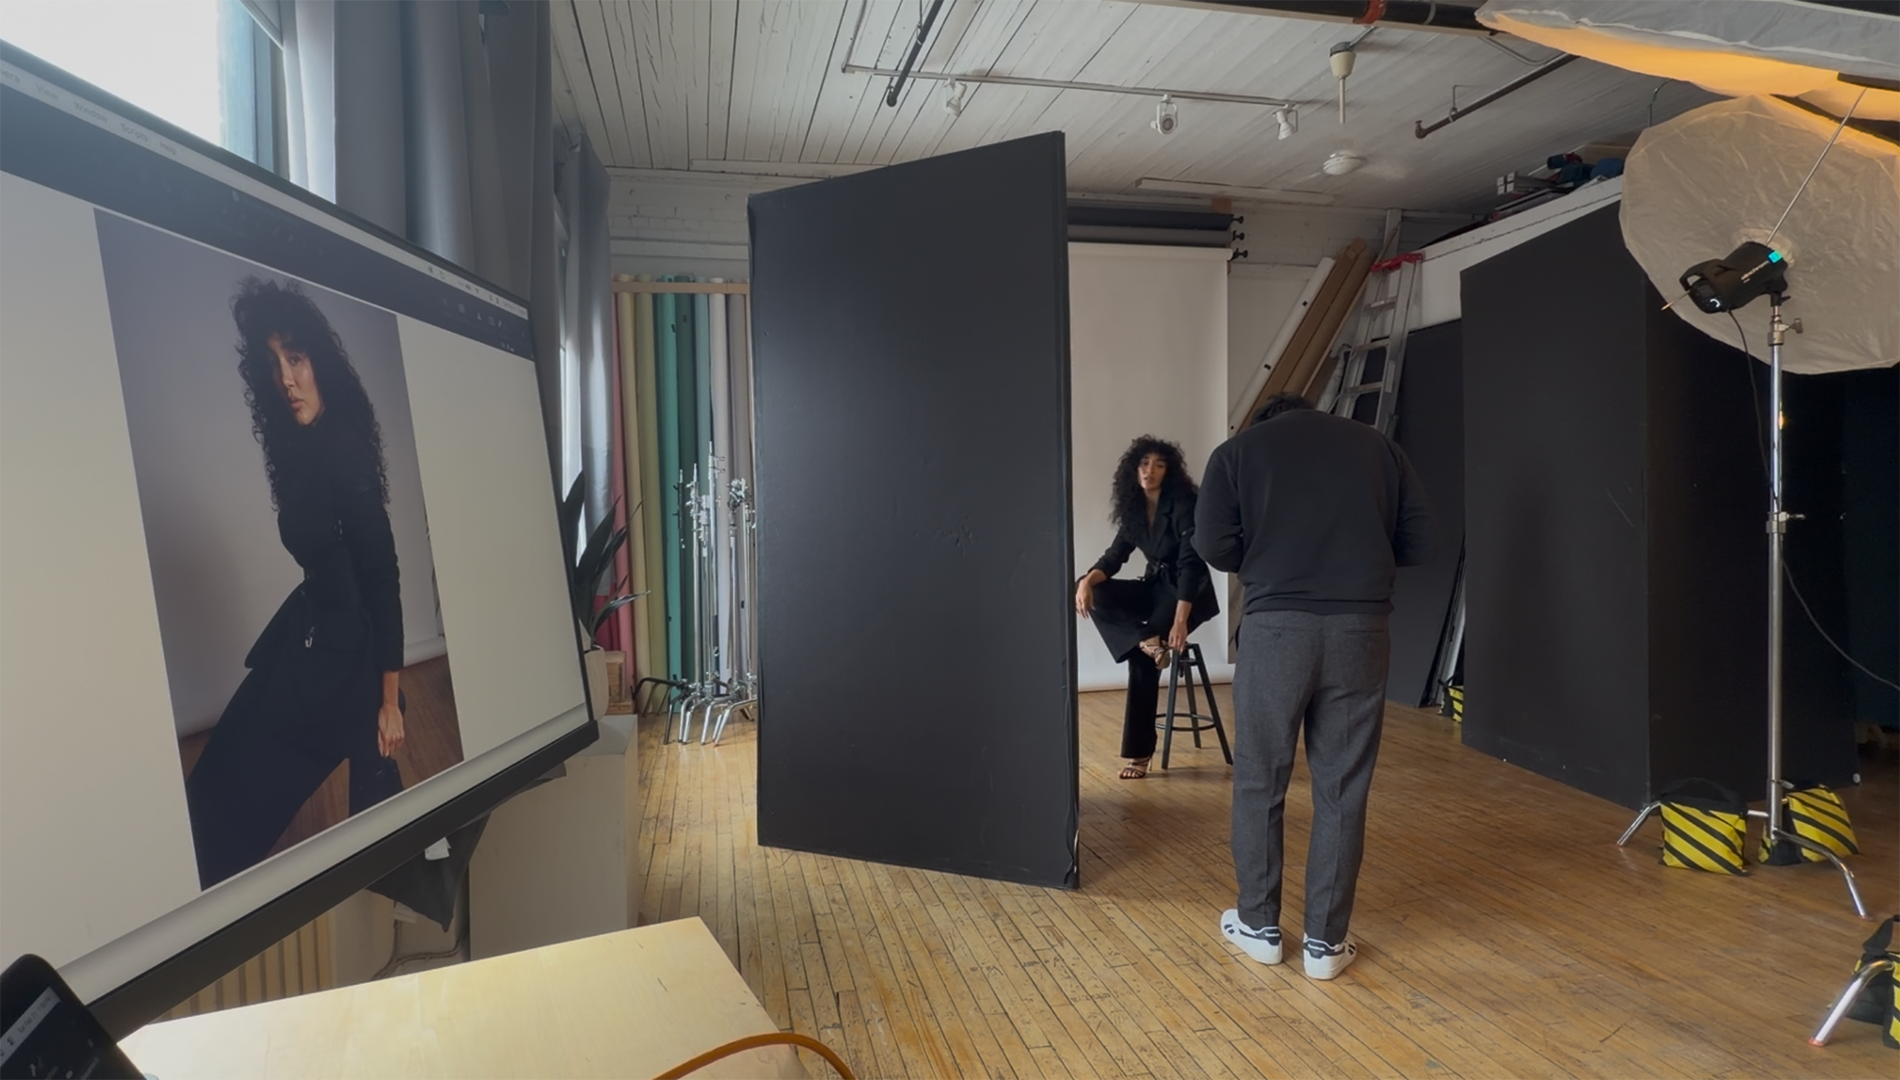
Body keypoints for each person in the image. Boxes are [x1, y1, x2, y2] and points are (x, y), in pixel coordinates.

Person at [1194, 393, 1434, 980]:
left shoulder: (1238, 453)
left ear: (1267, 420)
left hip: (1277, 629)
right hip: (1361, 629)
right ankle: (1326, 944)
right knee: (1343, 788)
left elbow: (1212, 545)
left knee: (1261, 779)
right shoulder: (1381, 449)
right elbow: (1421, 540)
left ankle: (1260, 926)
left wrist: (1268, 554)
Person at [183, 278, 407, 888]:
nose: (285, 378)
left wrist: (389, 702)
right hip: (310, 637)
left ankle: (200, 896)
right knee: (216, 775)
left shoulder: (344, 451)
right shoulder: (299, 446)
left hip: (343, 667)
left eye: (296, 359)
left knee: (231, 805)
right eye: (273, 364)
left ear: (320, 362)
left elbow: (383, 574)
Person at [1075, 436, 1220, 780]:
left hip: (1188, 592)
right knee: (1095, 588)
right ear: (1134, 469)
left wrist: (1181, 621)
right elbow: (1114, 558)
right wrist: (1085, 582)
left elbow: (1191, 565)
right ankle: (1146, 641)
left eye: (1158, 464)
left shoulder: (1183, 504)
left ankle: (1139, 755)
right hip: (1155, 586)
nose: (1149, 470)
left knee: (1141, 662)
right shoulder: (1134, 510)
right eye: (1144, 463)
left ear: (1169, 471)